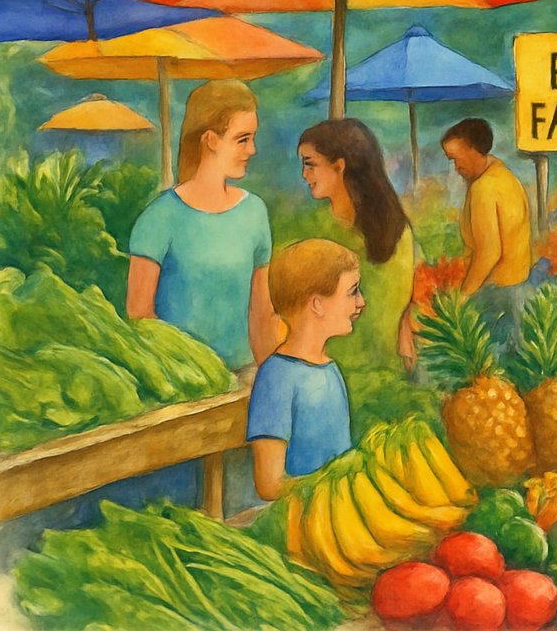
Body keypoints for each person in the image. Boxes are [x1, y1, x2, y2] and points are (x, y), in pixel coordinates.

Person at [127, 79, 277, 370]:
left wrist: (271, 380)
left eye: (252, 138)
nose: (253, 150)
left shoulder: (254, 212)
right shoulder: (159, 217)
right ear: (211, 140)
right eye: (242, 139)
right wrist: (190, 370)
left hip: (245, 379)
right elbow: (139, 317)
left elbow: (261, 314)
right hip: (179, 383)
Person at [297, 118, 417, 373]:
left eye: (310, 165)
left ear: (340, 166)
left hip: (375, 370)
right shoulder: (313, 227)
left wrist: (405, 322)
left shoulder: (397, 231)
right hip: (327, 367)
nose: (304, 175)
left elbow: (415, 292)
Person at [247, 239, 362, 499]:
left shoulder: (331, 370)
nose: (361, 302)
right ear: (317, 304)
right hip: (297, 519)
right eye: (352, 291)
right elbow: (270, 485)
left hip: (337, 511)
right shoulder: (277, 377)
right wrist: (329, 488)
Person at [441, 118, 532, 336]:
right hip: (518, 289)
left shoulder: (485, 189)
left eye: (456, 159)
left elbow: (489, 252)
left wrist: (462, 298)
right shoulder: (504, 176)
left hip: (496, 295)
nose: (456, 167)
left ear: (474, 150)